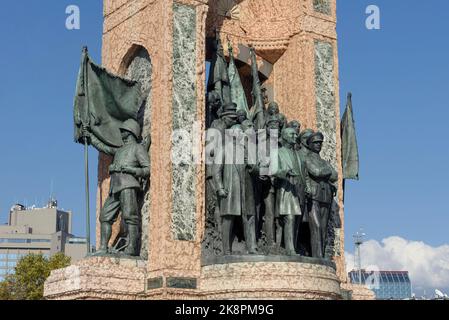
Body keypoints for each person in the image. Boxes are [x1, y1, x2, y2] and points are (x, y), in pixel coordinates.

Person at [84, 119, 150, 256]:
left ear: (130, 132)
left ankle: (131, 248)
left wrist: (131, 170)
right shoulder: (120, 150)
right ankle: (103, 247)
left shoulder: (138, 148)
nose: (121, 133)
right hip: (115, 188)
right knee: (104, 217)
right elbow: (104, 147)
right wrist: (90, 137)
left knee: (130, 217)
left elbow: (148, 169)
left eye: (124, 131)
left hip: (128, 185)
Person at [213, 123, 258, 255]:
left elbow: (256, 169)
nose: (242, 134)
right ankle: (226, 249)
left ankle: (252, 247)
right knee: (228, 218)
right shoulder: (224, 149)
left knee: (249, 218)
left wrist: (252, 165)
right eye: (239, 132)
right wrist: (220, 187)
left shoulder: (247, 150)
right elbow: (216, 170)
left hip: (247, 189)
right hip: (231, 189)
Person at [304, 132, 338, 258]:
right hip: (313, 196)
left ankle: (321, 255)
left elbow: (335, 175)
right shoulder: (307, 158)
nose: (318, 145)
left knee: (323, 228)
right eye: (316, 143)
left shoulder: (323, 161)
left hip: (325, 196)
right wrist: (327, 172)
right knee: (316, 227)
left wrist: (325, 172)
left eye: (320, 143)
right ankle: (317, 256)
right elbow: (316, 171)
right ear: (310, 144)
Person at [206, 103, 239, 232]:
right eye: (232, 118)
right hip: (214, 169)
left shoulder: (227, 129)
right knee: (217, 200)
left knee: (223, 200)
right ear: (225, 117)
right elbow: (211, 150)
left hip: (224, 170)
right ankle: (217, 229)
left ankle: (222, 230)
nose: (234, 121)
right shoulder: (216, 128)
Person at [272, 127, 304, 255]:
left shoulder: (297, 154)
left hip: (297, 190)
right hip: (285, 189)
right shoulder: (278, 152)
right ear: (284, 136)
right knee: (289, 218)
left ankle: (292, 246)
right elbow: (273, 170)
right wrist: (285, 172)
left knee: (296, 220)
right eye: (292, 134)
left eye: (296, 134)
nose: (295, 136)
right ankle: (290, 249)